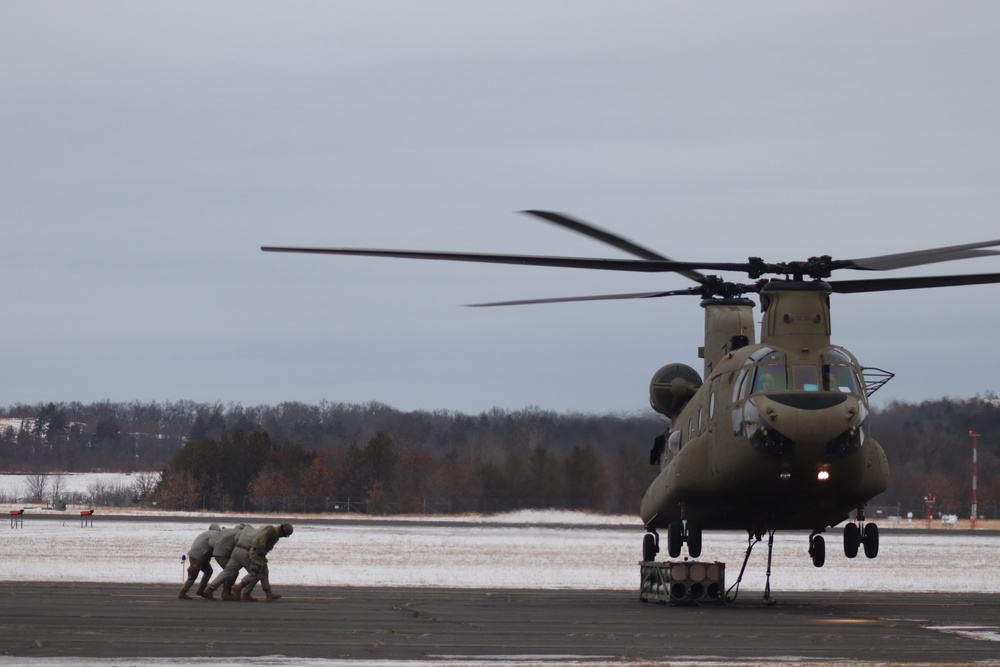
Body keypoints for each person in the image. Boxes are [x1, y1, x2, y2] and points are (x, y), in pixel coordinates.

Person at [233, 523, 293, 602]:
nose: (284, 537)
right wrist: (261, 549)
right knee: (255, 573)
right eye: (285, 535)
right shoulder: (272, 530)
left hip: (260, 554)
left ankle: (269, 594)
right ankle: (238, 587)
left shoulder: (275, 534)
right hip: (256, 552)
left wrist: (263, 555)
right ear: (283, 531)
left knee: (264, 571)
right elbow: (262, 537)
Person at [201, 523, 254, 601]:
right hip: (224, 555)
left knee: (229, 572)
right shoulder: (239, 533)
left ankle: (221, 591)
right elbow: (238, 545)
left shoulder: (226, 530)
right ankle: (224, 592)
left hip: (217, 553)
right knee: (231, 572)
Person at [178, 523, 221, 599]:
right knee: (193, 574)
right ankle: (183, 592)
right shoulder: (214, 534)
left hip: (199, 556)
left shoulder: (206, 533)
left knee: (208, 571)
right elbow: (212, 544)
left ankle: (201, 590)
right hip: (198, 557)